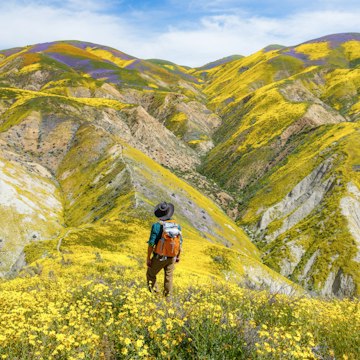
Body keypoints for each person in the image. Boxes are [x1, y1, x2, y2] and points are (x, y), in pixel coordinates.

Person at [146, 202, 182, 296]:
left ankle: (156, 296)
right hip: (172, 257)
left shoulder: (157, 226)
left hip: (159, 256)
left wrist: (148, 258)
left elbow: (151, 243)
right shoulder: (177, 226)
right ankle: (167, 299)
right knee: (168, 277)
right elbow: (180, 243)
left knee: (150, 274)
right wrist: (177, 256)